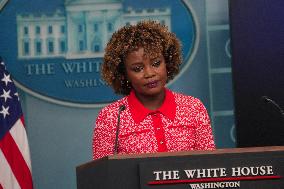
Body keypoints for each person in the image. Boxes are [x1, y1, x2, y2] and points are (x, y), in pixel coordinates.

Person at [93, 20, 215, 160]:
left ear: (167, 62)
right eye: (138, 68)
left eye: (156, 63)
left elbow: (208, 168)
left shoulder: (193, 108)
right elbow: (103, 176)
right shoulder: (111, 118)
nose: (149, 73)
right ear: (123, 74)